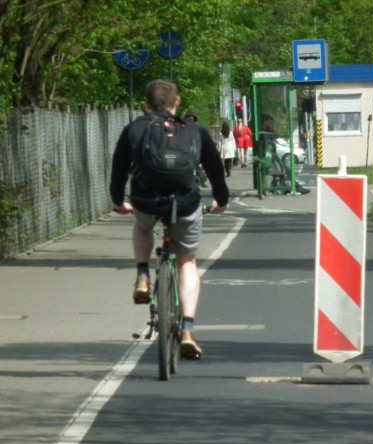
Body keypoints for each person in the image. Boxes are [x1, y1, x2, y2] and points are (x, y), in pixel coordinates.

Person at [110, 79, 229, 359]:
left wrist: (118, 201)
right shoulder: (195, 131)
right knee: (187, 260)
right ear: (177, 103)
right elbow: (215, 170)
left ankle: (142, 275)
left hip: (146, 200)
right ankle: (187, 328)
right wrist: (221, 201)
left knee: (142, 225)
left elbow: (118, 169)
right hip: (185, 203)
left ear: (146, 105)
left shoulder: (135, 129)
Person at [258, 115, 309, 194]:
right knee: (286, 171)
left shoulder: (268, 136)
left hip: (274, 162)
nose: (275, 127)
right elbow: (270, 152)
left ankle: (294, 187)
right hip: (272, 163)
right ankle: (296, 187)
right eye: (273, 125)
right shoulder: (267, 137)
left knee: (286, 170)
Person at [184, 108, 208, 187]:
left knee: (196, 166)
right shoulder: (184, 126)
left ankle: (200, 179)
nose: (191, 118)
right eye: (189, 116)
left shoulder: (197, 127)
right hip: (189, 150)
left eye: (192, 117)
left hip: (195, 150)